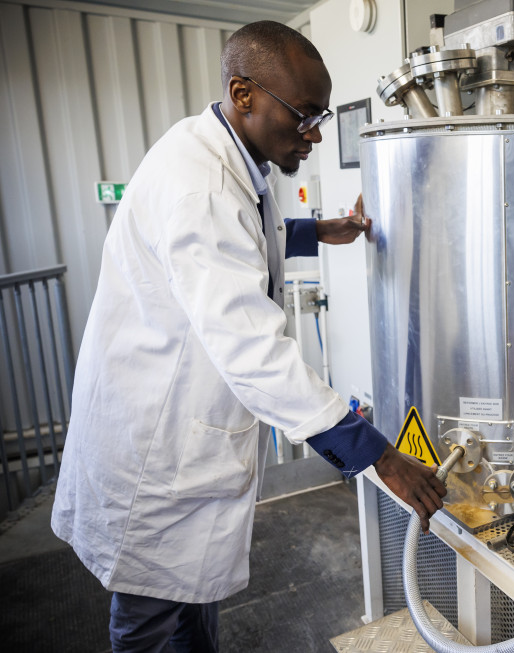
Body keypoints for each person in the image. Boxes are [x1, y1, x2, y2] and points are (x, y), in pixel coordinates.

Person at [50, 21, 446, 652]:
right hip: (159, 448)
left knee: (190, 605)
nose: (315, 134)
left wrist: (322, 230)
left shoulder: (217, 152)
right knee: (152, 621)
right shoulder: (201, 186)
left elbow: (248, 232)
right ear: (243, 95)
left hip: (178, 436)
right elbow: (255, 353)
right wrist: (379, 456)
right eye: (306, 116)